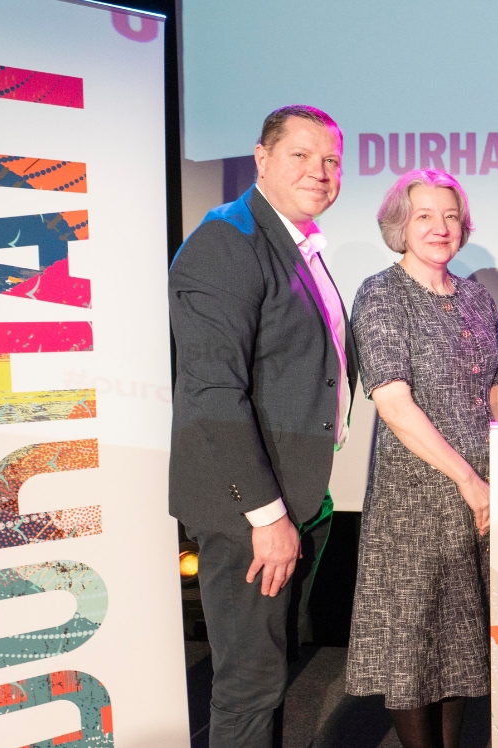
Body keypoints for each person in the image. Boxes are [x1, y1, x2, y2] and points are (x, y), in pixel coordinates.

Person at [168, 104, 353, 748]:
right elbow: (214, 392)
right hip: (251, 506)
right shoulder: (229, 239)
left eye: (330, 159)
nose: (320, 171)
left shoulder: (295, 242)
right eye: (301, 155)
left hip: (293, 494)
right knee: (249, 684)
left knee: (269, 675)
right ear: (262, 158)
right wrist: (268, 515)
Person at [345, 169, 498, 748]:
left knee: (460, 646)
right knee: (415, 648)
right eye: (424, 216)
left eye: (450, 216)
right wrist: (469, 480)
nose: (440, 228)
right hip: (416, 499)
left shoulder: (473, 296)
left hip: (482, 495)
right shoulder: (381, 293)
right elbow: (392, 401)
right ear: (400, 224)